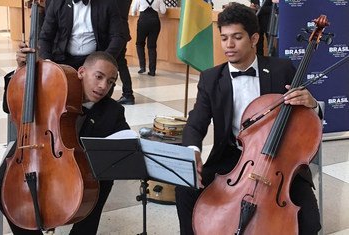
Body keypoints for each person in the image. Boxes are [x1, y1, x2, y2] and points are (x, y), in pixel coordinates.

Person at [175, 3, 322, 235]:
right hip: (232, 160)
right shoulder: (211, 78)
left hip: (280, 163)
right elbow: (196, 122)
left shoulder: (282, 69)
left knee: (310, 222)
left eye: (237, 37)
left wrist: (311, 103)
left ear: (254, 38)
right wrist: (192, 150)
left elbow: (308, 118)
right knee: (185, 188)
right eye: (224, 38)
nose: (229, 45)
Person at [0, 44, 130, 235]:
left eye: (110, 82)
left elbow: (124, 144)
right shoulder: (53, 87)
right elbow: (8, 105)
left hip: (75, 166)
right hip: (35, 149)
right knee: (3, 181)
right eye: (99, 76)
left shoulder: (113, 111)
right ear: (82, 72)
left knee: (103, 179)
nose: (103, 86)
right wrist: (22, 71)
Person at [39, 0, 126, 70]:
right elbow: (45, 37)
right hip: (63, 60)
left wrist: (104, 59)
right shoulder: (57, 3)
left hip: (95, 61)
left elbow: (118, 36)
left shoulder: (108, 2)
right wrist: (48, 62)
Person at [131, 0, 166, 76]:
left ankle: (142, 67)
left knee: (140, 44)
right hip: (155, 22)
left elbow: (133, 11)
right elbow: (163, 11)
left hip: (143, 21)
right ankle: (152, 70)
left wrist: (135, 13)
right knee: (152, 47)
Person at [115, 0, 136, 105]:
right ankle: (128, 94)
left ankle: (128, 94)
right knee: (121, 63)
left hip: (116, 31)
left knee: (116, 62)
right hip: (123, 29)